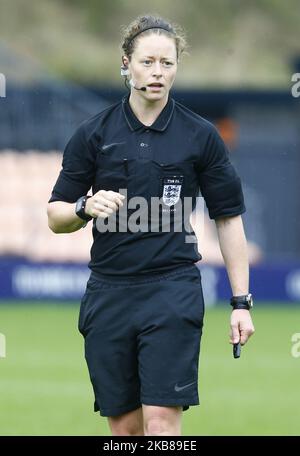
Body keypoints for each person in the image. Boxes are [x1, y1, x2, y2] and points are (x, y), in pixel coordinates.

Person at [47, 14, 255, 437]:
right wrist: (85, 207)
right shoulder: (93, 134)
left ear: (177, 66)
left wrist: (240, 302)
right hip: (109, 292)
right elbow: (56, 216)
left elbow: (228, 219)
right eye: (147, 62)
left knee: (160, 423)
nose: (158, 72)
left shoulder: (201, 135)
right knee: (125, 431)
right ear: (126, 63)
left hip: (172, 290)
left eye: (167, 63)